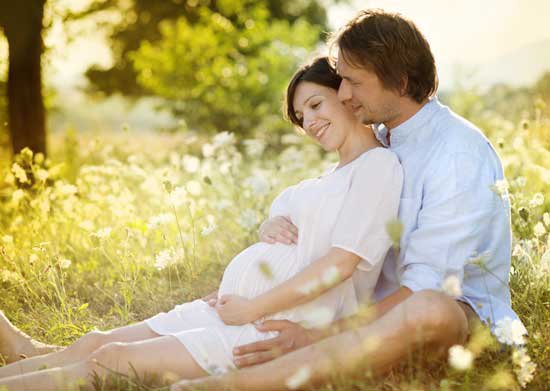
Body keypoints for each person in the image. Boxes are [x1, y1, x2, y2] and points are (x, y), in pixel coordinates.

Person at [0, 57, 403, 390]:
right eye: (301, 116)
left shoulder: (376, 168)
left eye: (316, 105)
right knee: (97, 342)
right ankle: (25, 357)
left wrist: (251, 307)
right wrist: (266, 233)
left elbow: (340, 265)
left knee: (110, 361)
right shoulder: (324, 179)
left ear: (346, 96)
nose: (309, 121)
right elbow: (289, 231)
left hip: (271, 327)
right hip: (230, 310)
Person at [171, 9, 520, 391]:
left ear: (400, 81)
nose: (344, 94)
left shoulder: (456, 153)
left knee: (429, 309)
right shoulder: (379, 142)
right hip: (366, 311)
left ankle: (239, 385)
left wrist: (318, 334)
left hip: (454, 317)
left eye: (353, 82)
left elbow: (427, 286)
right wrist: (266, 253)